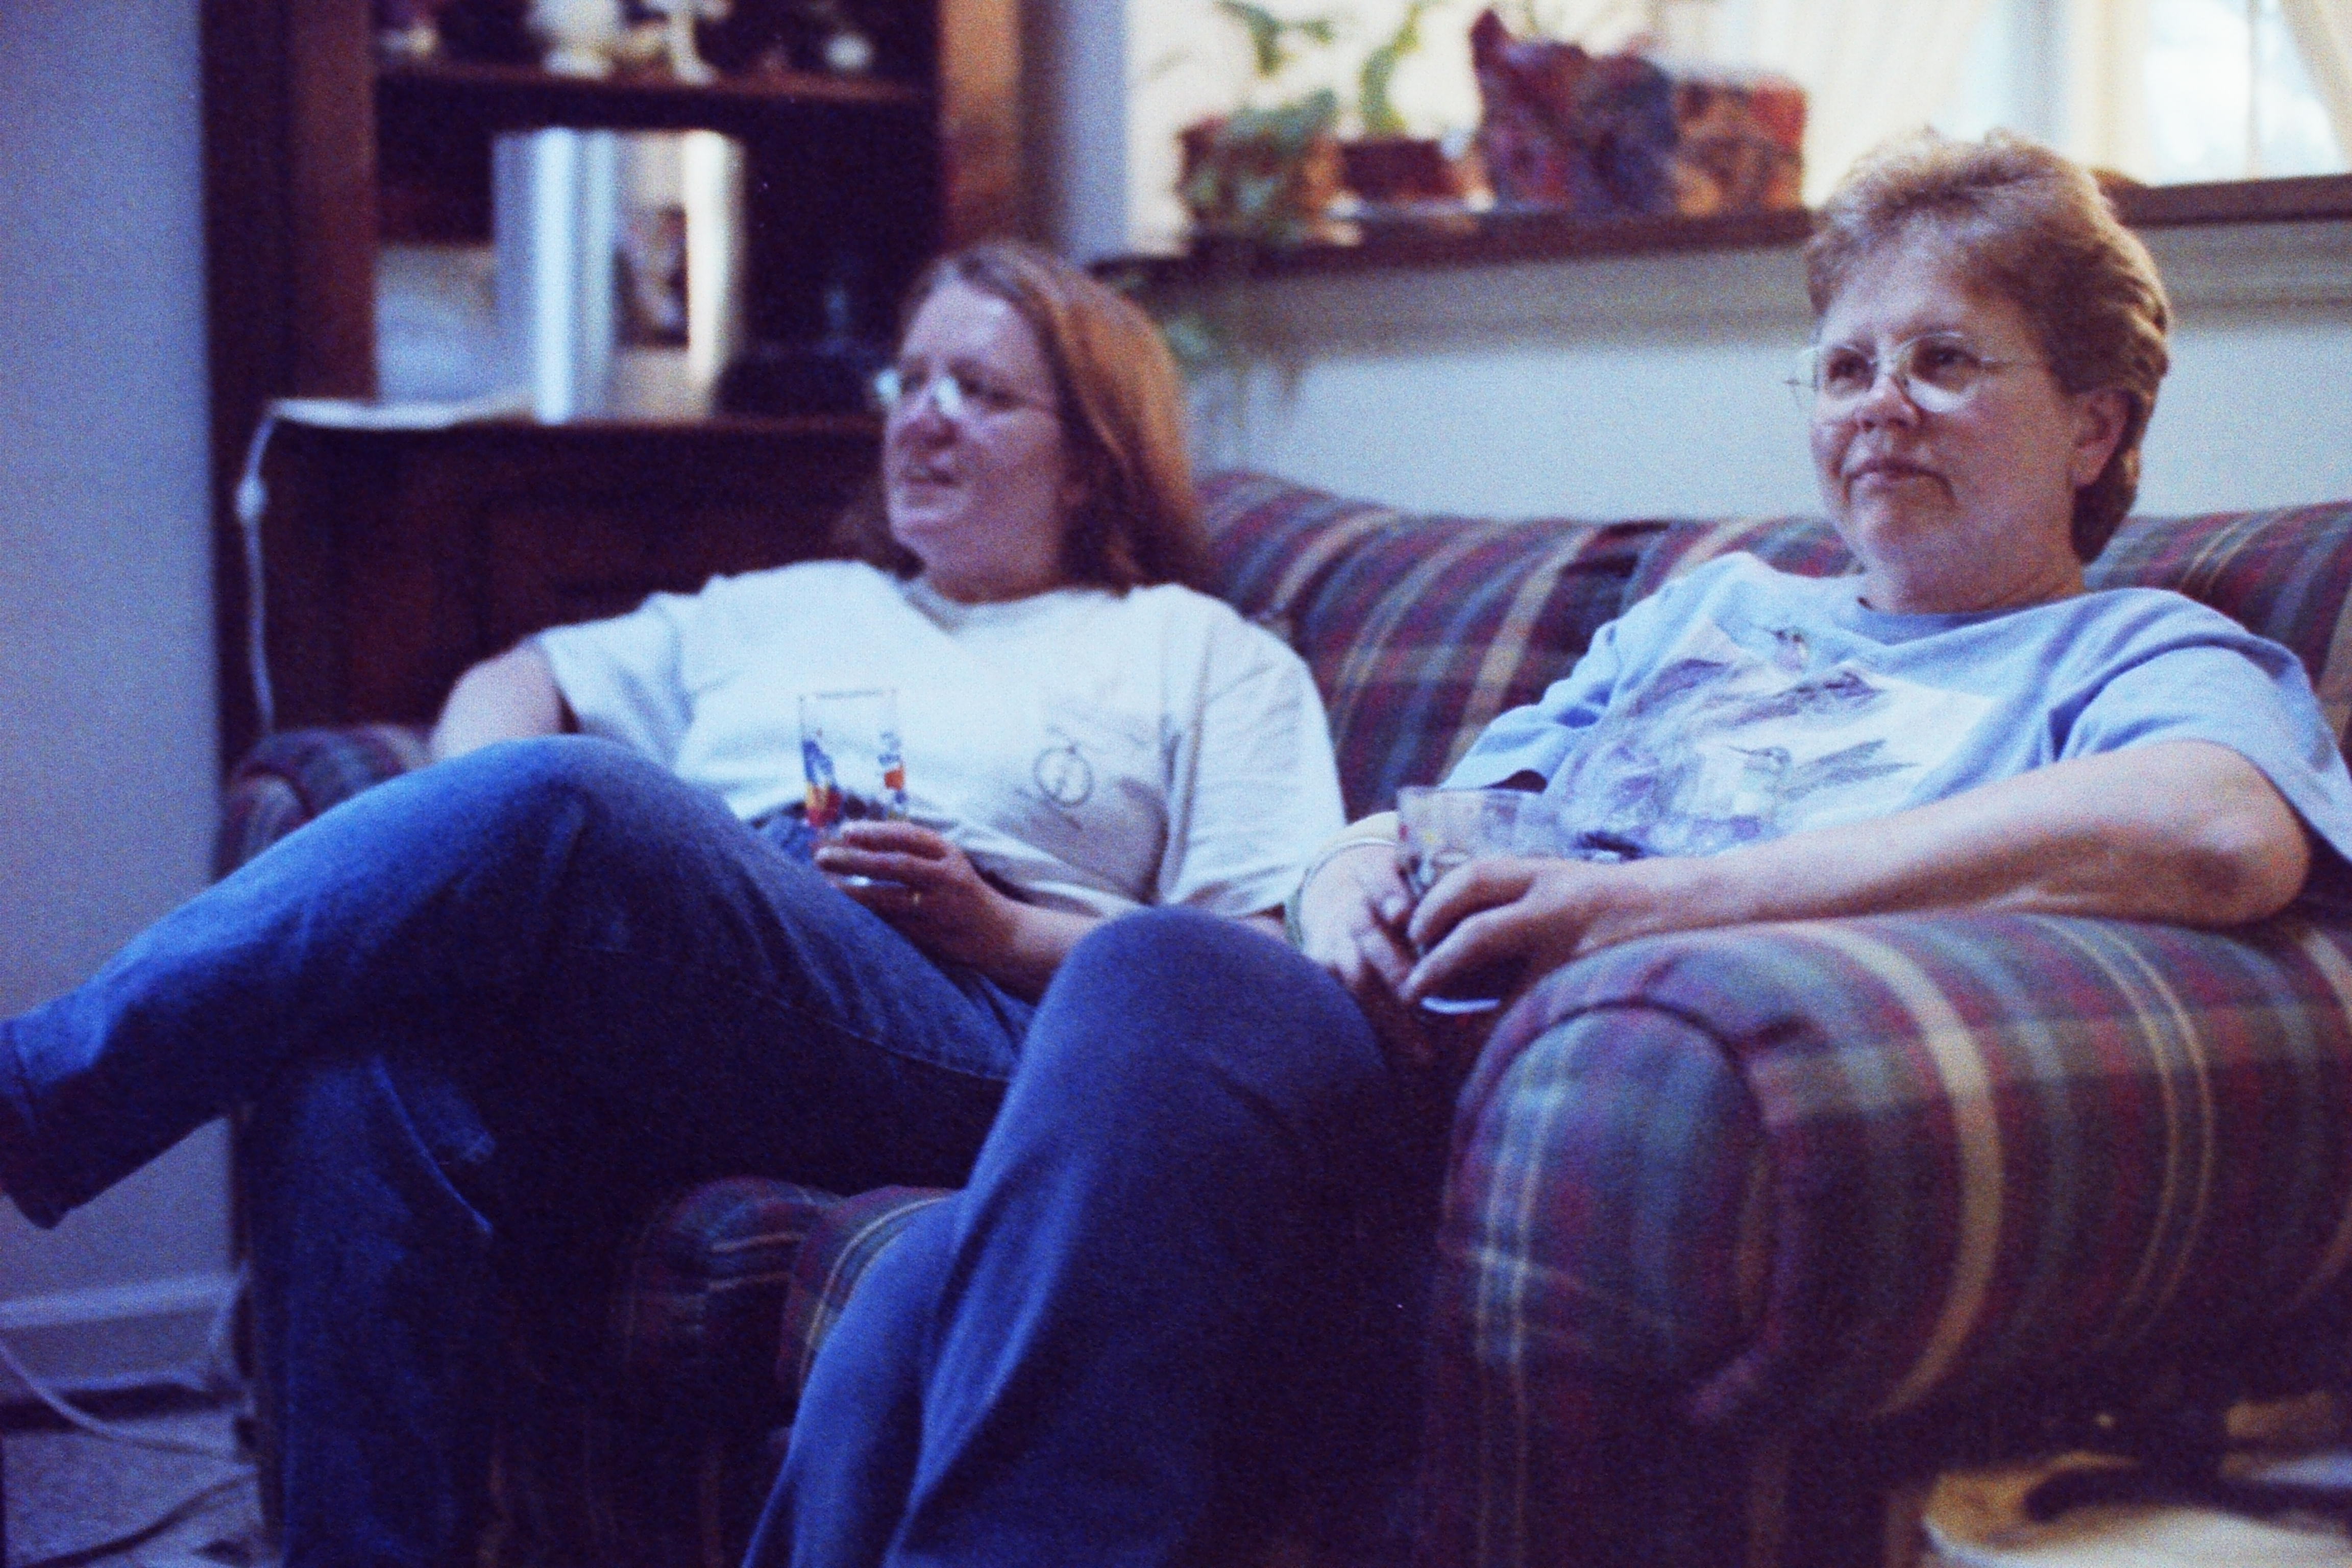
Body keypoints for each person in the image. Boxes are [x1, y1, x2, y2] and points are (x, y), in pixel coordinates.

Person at [747, 131, 2352, 1568]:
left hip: (1604, 1172)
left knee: (978, 1231)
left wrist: (1649, 907)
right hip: (1388, 1084)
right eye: (1845, 365)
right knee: (964, 1232)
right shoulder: (1718, 613)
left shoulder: (2130, 649)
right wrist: (1345, 879)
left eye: (1944, 361)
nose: (1878, 406)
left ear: (2093, 426)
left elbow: (2218, 832)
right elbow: (1441, 815)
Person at [0, 240, 1344, 1567]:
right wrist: (473, 832)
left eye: (981, 392)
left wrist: (1000, 928)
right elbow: (517, 682)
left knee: (574, 802)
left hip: (983, 1027)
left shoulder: (1197, 652)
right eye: (910, 380)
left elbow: (1250, 977)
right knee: (366, 1077)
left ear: (1091, 458)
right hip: (713, 992)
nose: (924, 418)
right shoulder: (785, 606)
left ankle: (42, 1094)